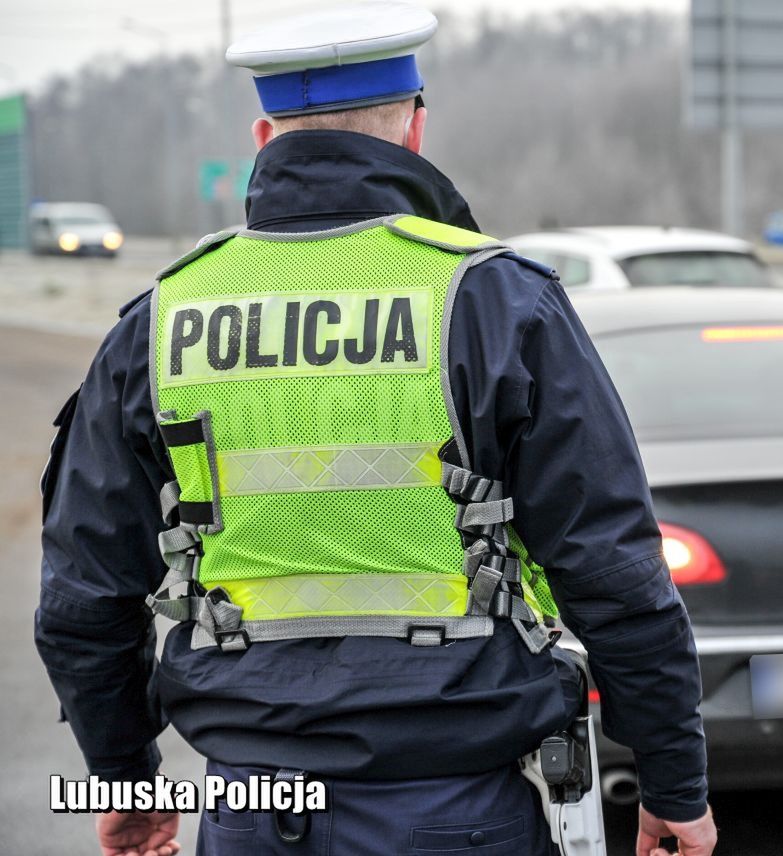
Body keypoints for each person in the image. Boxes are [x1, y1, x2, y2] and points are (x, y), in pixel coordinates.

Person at [34, 3, 718, 855]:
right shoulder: (494, 302)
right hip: (454, 812)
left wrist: (128, 779)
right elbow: (612, 570)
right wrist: (672, 782)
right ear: (415, 129)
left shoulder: (163, 319)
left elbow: (82, 596)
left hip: (250, 813)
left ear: (263, 135)